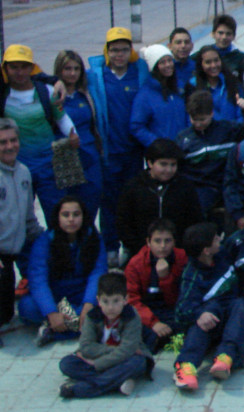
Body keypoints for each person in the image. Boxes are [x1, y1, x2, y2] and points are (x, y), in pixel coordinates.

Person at [87, 28, 149, 264]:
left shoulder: (140, 73)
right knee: (109, 202)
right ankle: (110, 247)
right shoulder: (96, 76)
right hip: (109, 152)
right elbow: (65, 76)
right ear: (107, 51)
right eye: (114, 50)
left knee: (132, 200)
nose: (119, 54)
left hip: (134, 152)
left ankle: (130, 246)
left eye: (124, 49)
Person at [1, 45, 82, 221]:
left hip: (49, 165)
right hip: (16, 166)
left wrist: (73, 134)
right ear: (5, 68)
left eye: (24, 66)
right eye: (14, 67)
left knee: (56, 214)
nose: (19, 72)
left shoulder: (46, 91)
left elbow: (61, 118)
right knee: (19, 216)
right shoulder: (3, 94)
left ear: (32, 67)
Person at [172, 222, 244, 390]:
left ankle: (225, 356)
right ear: (206, 250)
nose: (219, 240)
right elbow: (181, 311)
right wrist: (199, 314)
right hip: (209, 324)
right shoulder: (192, 276)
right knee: (209, 310)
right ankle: (186, 365)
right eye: (215, 239)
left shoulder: (223, 253)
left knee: (241, 303)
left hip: (231, 317)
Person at [20, 195, 107, 346]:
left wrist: (88, 304)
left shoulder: (93, 238)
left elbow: (98, 273)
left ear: (84, 216)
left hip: (82, 296)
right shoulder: (45, 241)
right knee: (27, 306)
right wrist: (51, 312)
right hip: (56, 297)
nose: (71, 219)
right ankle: (79, 326)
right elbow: (38, 280)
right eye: (65, 215)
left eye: (76, 214)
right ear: (57, 217)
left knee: (110, 303)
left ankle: (54, 331)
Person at [57, 273, 152, 399]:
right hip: (108, 358)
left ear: (126, 299)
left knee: (138, 362)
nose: (110, 307)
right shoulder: (92, 316)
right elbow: (86, 347)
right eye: (105, 301)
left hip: (122, 360)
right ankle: (117, 382)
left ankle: (80, 390)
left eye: (116, 301)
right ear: (98, 301)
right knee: (66, 363)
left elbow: (128, 350)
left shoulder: (131, 316)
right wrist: (114, 351)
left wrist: (97, 364)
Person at [116, 137, 203, 260]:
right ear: (150, 163)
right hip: (140, 254)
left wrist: (181, 249)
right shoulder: (133, 187)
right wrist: (140, 249)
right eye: (163, 164)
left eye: (173, 165)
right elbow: (123, 222)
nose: (168, 170)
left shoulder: (185, 187)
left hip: (178, 254)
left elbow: (194, 220)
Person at [0, 118, 42, 338]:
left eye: (13, 140)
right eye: (3, 142)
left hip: (15, 250)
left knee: (11, 314)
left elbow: (29, 221)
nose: (9, 146)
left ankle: (63, 324)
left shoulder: (24, 172)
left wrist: (52, 239)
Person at [124, 217, 188, 351]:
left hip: (172, 310)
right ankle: (159, 338)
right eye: (157, 241)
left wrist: (165, 278)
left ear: (174, 242)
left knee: (191, 323)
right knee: (128, 323)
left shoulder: (182, 258)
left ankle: (164, 338)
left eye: (167, 241)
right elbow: (132, 300)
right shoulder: (135, 264)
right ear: (148, 242)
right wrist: (154, 323)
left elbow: (182, 297)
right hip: (147, 311)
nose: (163, 246)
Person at [53, 50, 103, 216]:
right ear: (59, 70)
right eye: (67, 68)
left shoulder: (86, 94)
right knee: (66, 210)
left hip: (89, 156)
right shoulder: (52, 94)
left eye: (76, 68)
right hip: (64, 158)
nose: (72, 73)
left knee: (90, 203)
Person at [177, 91, 243, 216]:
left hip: (223, 185)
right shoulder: (183, 138)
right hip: (196, 187)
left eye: (202, 119)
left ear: (212, 113)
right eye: (194, 119)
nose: (198, 124)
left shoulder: (228, 129)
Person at [130, 44, 188, 147]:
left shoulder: (180, 88)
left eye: (170, 60)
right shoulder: (145, 95)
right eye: (162, 62)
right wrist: (157, 145)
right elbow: (137, 127)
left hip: (183, 149)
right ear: (154, 67)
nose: (168, 65)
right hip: (162, 155)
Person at [191, 46, 244, 123]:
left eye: (216, 60)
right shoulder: (193, 86)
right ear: (201, 64)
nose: (213, 65)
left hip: (234, 131)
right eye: (208, 62)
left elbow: (241, 113)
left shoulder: (232, 82)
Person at [200, 14, 244, 78]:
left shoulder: (243, 59)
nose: (224, 37)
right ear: (213, 34)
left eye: (228, 34)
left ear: (234, 36)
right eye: (220, 33)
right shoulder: (202, 56)